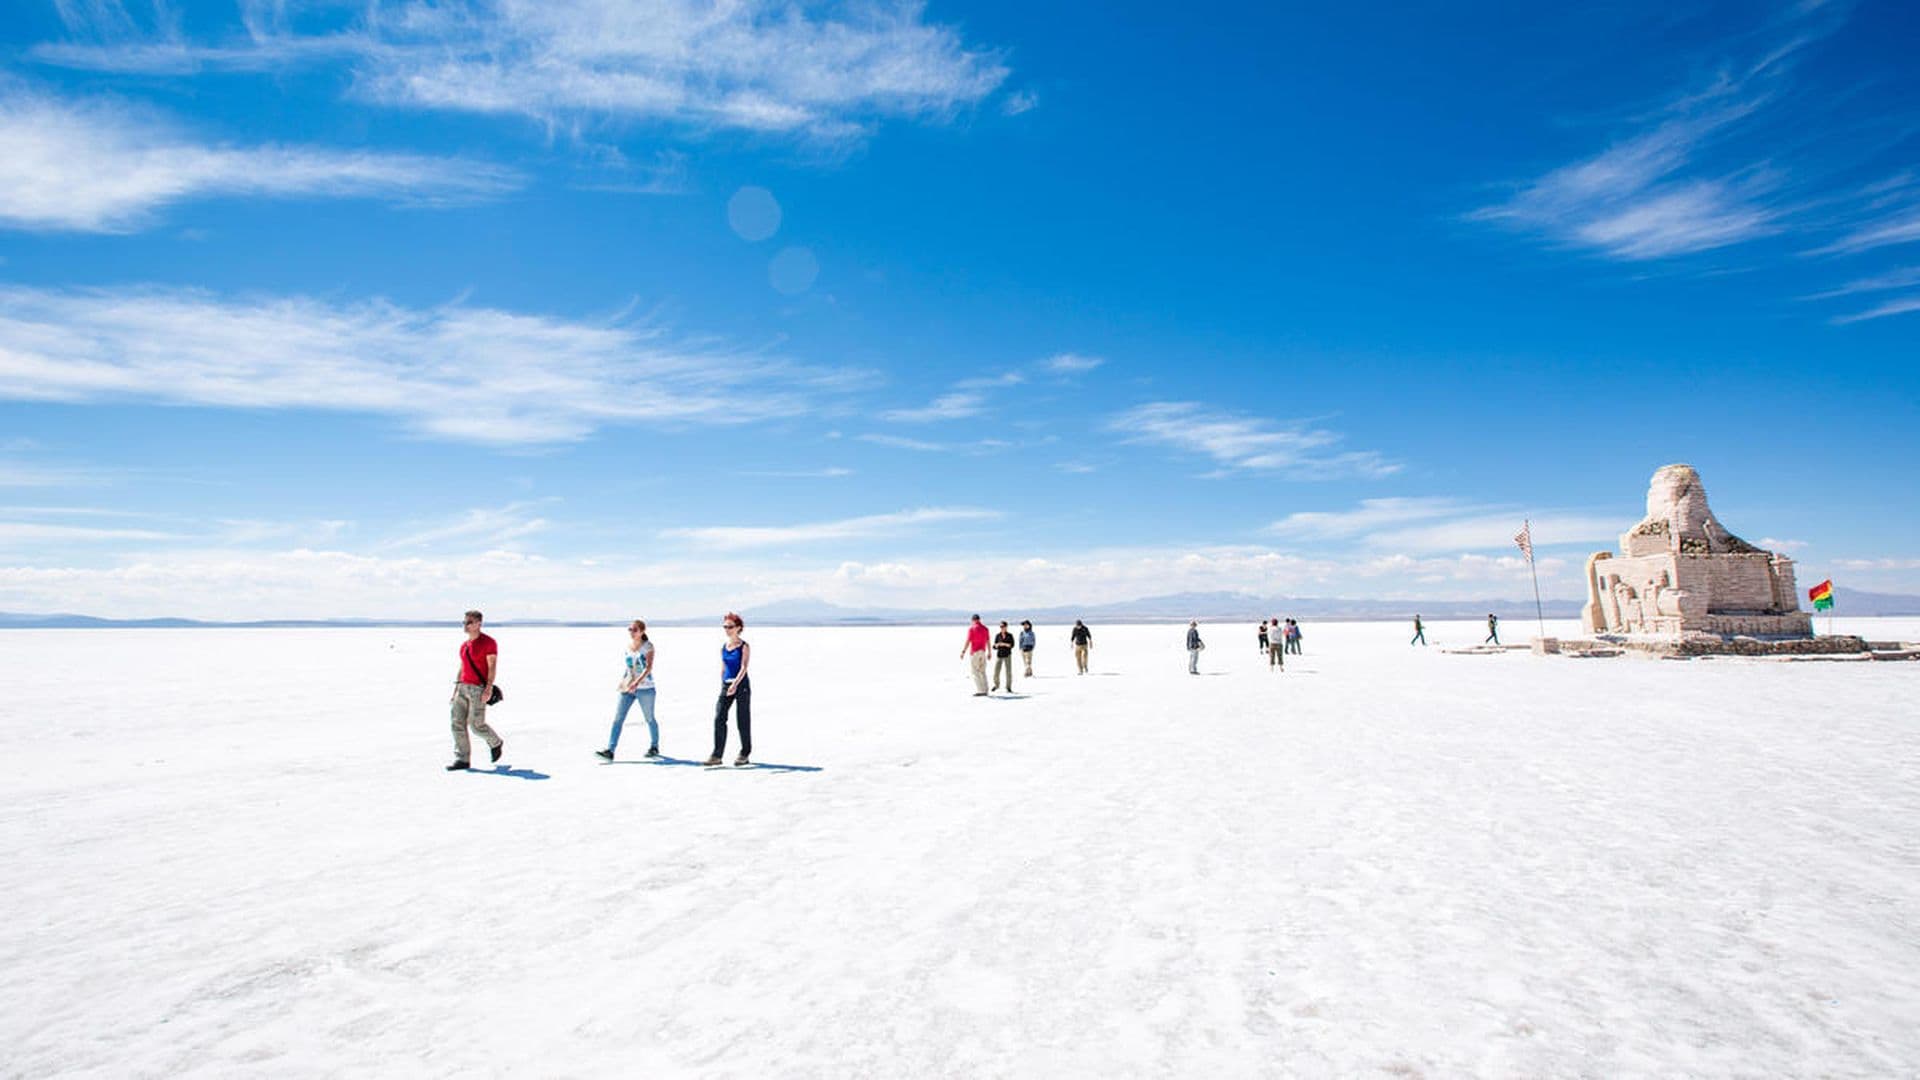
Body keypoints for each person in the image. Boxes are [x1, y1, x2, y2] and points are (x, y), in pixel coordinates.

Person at [447, 609, 503, 771]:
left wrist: (488, 688)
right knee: (456, 723)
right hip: (462, 688)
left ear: (479, 624)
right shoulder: (464, 646)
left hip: (478, 689)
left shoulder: (488, 642)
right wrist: (455, 690)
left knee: (476, 725)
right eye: (464, 622)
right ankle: (462, 759)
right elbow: (462, 667)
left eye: (469, 622)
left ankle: (495, 742)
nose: (466, 625)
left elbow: (492, 666)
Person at [598, 619, 657, 761]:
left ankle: (654, 746)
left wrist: (636, 683)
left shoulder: (648, 646)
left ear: (642, 631)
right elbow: (629, 668)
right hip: (628, 688)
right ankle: (610, 750)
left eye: (635, 629)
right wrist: (625, 683)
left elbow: (648, 668)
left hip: (645, 688)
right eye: (630, 629)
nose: (631, 632)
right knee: (618, 719)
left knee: (649, 718)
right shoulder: (628, 647)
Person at [706, 613, 752, 766]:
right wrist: (724, 683)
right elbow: (723, 667)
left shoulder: (744, 646)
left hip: (741, 686)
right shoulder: (724, 647)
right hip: (726, 685)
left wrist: (735, 684)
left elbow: (744, 667)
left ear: (738, 628)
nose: (727, 629)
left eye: (730, 627)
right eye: (725, 626)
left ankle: (744, 753)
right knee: (719, 718)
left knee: (742, 720)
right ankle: (717, 755)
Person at [961, 614, 991, 696]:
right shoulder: (985, 629)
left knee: (975, 671)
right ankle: (985, 689)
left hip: (975, 652)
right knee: (982, 671)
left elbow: (968, 641)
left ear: (973, 620)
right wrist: (989, 652)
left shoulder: (972, 629)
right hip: (983, 652)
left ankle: (981, 690)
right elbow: (988, 641)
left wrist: (963, 651)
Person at [991, 620, 1017, 693]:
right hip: (999, 655)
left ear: (1006, 627)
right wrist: (996, 645)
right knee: (996, 671)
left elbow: (1012, 645)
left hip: (1007, 655)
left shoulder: (1010, 635)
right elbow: (994, 646)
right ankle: (996, 685)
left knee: (1008, 672)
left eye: (1003, 626)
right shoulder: (997, 635)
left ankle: (1008, 687)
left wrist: (1004, 644)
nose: (1002, 628)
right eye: (1000, 627)